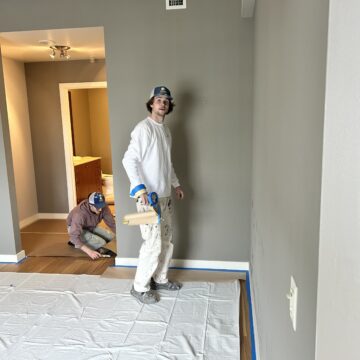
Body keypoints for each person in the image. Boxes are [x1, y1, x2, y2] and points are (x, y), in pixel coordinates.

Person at [122, 85, 184, 304]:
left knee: (167, 241)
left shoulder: (165, 131)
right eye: (159, 100)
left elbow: (167, 164)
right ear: (151, 103)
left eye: (166, 101)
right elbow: (128, 160)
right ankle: (139, 287)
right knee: (152, 243)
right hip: (148, 199)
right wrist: (140, 189)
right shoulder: (143, 129)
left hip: (165, 197)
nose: (163, 103)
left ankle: (160, 278)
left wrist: (175, 184)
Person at [67, 192, 117, 259]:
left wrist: (122, 237)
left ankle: (82, 241)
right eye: (97, 207)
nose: (100, 209)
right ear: (90, 205)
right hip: (75, 229)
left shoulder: (104, 206)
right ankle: (75, 242)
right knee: (102, 243)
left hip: (91, 226)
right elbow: (74, 235)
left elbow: (112, 224)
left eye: (101, 206)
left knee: (112, 237)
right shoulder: (79, 214)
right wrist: (90, 252)